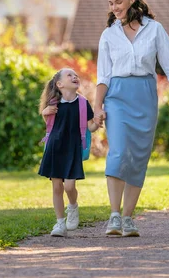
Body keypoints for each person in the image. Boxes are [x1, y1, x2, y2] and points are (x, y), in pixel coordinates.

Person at [94, 0, 169, 237]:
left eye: (118, 2)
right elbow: (103, 75)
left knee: (138, 156)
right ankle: (114, 216)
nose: (114, 7)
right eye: (111, 3)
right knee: (117, 151)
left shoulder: (155, 29)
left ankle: (128, 218)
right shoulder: (109, 34)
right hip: (116, 95)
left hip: (145, 94)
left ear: (132, 0)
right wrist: (97, 107)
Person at [39, 68, 102, 237]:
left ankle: (73, 206)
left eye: (76, 75)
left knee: (69, 186)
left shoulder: (82, 103)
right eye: (70, 75)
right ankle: (60, 223)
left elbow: (90, 127)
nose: (75, 76)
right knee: (57, 187)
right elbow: (49, 124)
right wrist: (45, 112)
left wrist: (98, 121)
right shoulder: (53, 103)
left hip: (72, 149)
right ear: (59, 84)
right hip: (55, 147)